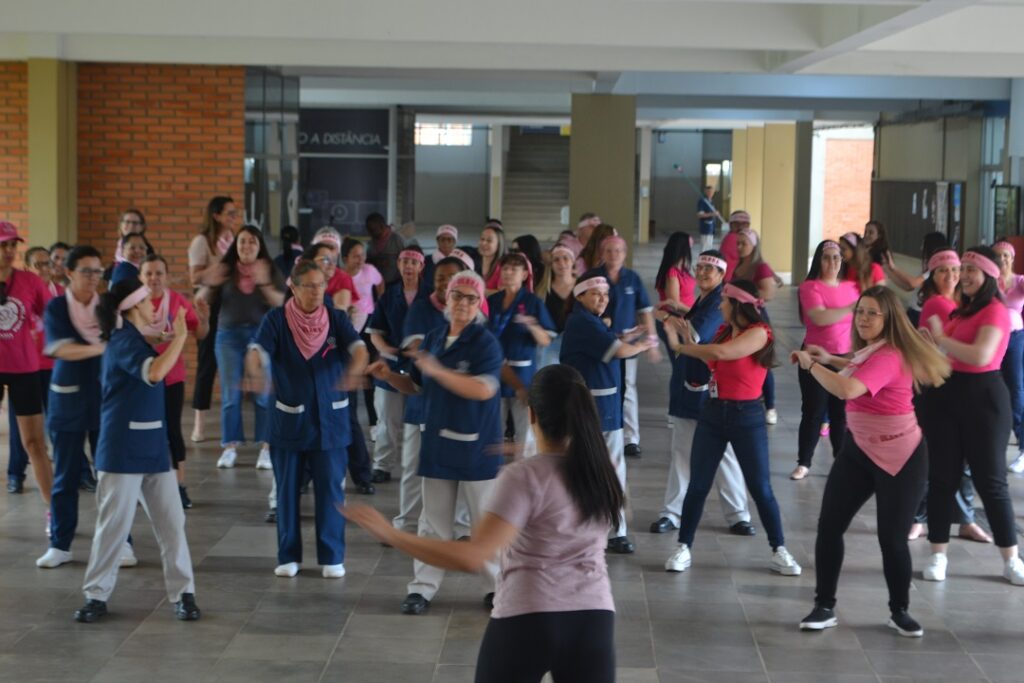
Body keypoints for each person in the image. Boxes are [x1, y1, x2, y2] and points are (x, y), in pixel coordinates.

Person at [344, 364, 621, 683]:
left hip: (528, 617)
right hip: (593, 620)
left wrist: (391, 534)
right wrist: (525, 452)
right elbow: (559, 472)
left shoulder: (523, 477)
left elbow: (472, 556)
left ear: (530, 414)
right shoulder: (605, 468)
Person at [793, 286, 950, 637]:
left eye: (872, 313)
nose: (863, 318)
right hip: (859, 450)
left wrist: (812, 363)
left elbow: (848, 389)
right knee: (829, 526)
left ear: (888, 318)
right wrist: (831, 358)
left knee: (892, 539)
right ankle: (824, 606)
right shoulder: (872, 351)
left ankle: (900, 611)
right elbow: (858, 364)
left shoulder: (891, 355)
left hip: (902, 457)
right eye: (860, 311)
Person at [367, 270, 504, 615]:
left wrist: (440, 371)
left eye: (471, 298)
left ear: (479, 304)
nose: (463, 303)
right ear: (446, 299)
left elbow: (483, 389)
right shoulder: (433, 337)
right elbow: (416, 385)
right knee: (433, 522)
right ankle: (422, 588)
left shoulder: (486, 343)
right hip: (438, 443)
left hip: (477, 447)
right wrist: (390, 378)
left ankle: (497, 587)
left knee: (483, 522)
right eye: (457, 295)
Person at [74, 278, 200, 624]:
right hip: (122, 450)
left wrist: (163, 339)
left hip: (153, 448)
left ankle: (184, 593)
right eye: (147, 301)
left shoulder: (134, 340)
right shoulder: (123, 342)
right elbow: (156, 372)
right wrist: (181, 339)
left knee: (173, 523)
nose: (154, 305)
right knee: (113, 526)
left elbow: (150, 356)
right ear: (131, 309)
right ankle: (96, 596)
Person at [662, 279, 802, 577]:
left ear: (738, 305)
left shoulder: (759, 333)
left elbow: (723, 355)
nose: (720, 305)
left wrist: (680, 346)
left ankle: (779, 549)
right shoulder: (724, 331)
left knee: (761, 488)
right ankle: (683, 546)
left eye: (725, 301)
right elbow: (711, 360)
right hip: (713, 412)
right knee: (698, 485)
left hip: (747, 417)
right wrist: (693, 342)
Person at [245, 259, 368, 578]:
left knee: (331, 489)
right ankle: (288, 554)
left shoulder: (336, 319)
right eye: (309, 285)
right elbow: (258, 350)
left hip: (331, 419)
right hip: (289, 418)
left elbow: (358, 348)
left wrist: (356, 369)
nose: (316, 291)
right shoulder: (277, 319)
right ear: (293, 286)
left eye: (320, 285)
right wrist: (256, 370)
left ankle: (332, 556)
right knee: (286, 489)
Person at [920, 246, 1024, 586]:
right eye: (961, 268)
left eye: (970, 270)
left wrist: (940, 338)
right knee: (942, 480)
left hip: (984, 402)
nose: (962, 275)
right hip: (947, 398)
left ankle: (1011, 558)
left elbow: (980, 355)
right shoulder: (960, 312)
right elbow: (946, 356)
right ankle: (938, 555)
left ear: (990, 276)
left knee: (991, 482)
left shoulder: (996, 311)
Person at [37, 246, 140, 568]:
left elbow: (125, 342)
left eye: (98, 272)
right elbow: (60, 349)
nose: (94, 278)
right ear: (69, 273)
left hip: (106, 399)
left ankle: (122, 541)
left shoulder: (107, 308)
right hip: (67, 399)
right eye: (87, 271)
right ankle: (60, 544)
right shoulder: (56, 307)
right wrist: (102, 348)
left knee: (111, 475)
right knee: (66, 475)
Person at [650, 251, 754, 537]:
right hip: (691, 388)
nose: (704, 273)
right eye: (700, 268)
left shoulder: (717, 302)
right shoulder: (704, 300)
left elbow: (693, 334)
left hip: (712, 392)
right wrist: (678, 314)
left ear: (722, 275)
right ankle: (672, 513)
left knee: (723, 454)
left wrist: (667, 318)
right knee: (682, 453)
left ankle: (738, 515)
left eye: (711, 269)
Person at [560, 271, 658, 555]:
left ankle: (609, 528)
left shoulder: (587, 321)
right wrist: (639, 345)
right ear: (579, 296)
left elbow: (607, 341)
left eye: (605, 295)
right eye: (595, 294)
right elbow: (616, 351)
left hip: (602, 406)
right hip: (594, 409)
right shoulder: (581, 322)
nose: (602, 299)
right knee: (604, 468)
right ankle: (609, 530)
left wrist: (624, 335)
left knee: (604, 468)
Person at [198, 224, 285, 470]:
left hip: (261, 337)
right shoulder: (226, 270)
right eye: (242, 242)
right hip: (228, 337)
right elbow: (201, 299)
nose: (246, 246)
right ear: (236, 246)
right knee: (230, 395)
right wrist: (207, 281)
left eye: (252, 242)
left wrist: (265, 283)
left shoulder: (270, 269)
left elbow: (284, 303)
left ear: (260, 247)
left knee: (263, 394)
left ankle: (266, 448)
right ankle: (230, 447)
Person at [392, 255, 468, 533]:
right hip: (422, 401)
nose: (445, 283)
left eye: (452, 279)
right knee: (414, 466)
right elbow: (415, 349)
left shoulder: (471, 316)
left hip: (458, 407)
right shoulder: (422, 309)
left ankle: (459, 527)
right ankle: (407, 522)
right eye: (440, 277)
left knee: (458, 468)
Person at [139, 254, 209, 509]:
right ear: (141, 277)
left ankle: (179, 487)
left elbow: (198, 333)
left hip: (171, 378)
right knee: (143, 430)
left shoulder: (177, 302)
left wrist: (204, 319)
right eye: (149, 273)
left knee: (172, 430)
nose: (154, 278)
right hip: (140, 379)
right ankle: (140, 487)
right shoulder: (134, 305)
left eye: (159, 273)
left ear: (166, 277)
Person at [791, 240, 860, 480]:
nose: (832, 262)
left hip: (843, 357)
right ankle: (804, 462)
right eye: (827, 257)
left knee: (840, 414)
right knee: (813, 411)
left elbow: (859, 325)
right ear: (819, 260)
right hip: (814, 357)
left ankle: (841, 464)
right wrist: (853, 307)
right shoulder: (810, 287)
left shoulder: (851, 287)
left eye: (837, 257)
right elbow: (820, 318)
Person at [0, 221, 54, 509]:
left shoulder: (30, 282)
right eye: (3, 245)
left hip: (24, 367)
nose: (9, 251)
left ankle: (53, 512)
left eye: (13, 245)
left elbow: (53, 316)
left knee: (34, 443)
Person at [7, 246, 70, 495]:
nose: (45, 268)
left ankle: (58, 499)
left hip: (39, 367)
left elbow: (59, 320)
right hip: (23, 367)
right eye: (40, 264)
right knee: (23, 432)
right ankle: (15, 473)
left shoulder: (45, 287)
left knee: (45, 433)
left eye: (48, 264)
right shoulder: (25, 286)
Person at [366, 248, 428, 485]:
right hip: (390, 366)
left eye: (414, 262)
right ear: (399, 265)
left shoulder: (430, 295)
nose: (409, 266)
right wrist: (388, 350)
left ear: (421, 266)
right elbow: (375, 333)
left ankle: (417, 464)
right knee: (387, 421)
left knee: (417, 422)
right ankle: (382, 465)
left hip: (419, 367)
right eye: (404, 261)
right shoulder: (389, 296)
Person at [595, 234, 658, 460]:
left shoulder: (632, 279)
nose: (614, 255)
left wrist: (652, 342)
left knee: (628, 387)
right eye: (609, 251)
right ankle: (600, 433)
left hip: (628, 343)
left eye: (618, 251)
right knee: (603, 387)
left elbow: (645, 311)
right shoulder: (594, 277)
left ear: (625, 254)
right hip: (600, 343)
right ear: (602, 254)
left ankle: (631, 438)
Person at [487, 252, 556, 450]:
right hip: (495, 371)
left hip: (523, 372)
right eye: (505, 268)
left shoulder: (533, 302)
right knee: (493, 427)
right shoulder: (492, 301)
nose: (508, 273)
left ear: (525, 274)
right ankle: (492, 472)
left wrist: (532, 325)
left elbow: (546, 339)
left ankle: (526, 470)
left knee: (525, 427)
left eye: (514, 269)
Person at [188, 196, 240, 443]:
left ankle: (233, 425)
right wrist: (218, 272)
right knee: (207, 364)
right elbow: (195, 278)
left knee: (232, 366)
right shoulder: (202, 242)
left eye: (234, 213)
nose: (233, 217)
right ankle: (199, 424)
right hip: (208, 304)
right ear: (216, 215)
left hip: (232, 306)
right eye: (229, 213)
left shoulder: (235, 240)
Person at [732, 228, 780, 425]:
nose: (740, 247)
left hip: (757, 318)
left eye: (744, 243)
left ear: (754, 246)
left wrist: (745, 297)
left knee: (762, 362)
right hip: (740, 318)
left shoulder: (760, 267)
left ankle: (770, 406)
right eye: (738, 243)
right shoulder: (740, 265)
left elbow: (768, 292)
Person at [992, 240, 1024, 471]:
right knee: (991, 389)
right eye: (997, 256)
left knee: (1016, 390)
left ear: (1012, 258)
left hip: (1014, 339)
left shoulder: (1019, 282)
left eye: (1006, 255)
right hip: (991, 339)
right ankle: (992, 446)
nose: (1002, 259)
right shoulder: (988, 283)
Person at [884, 232, 950, 327]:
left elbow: (913, 283)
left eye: (923, 244)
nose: (921, 248)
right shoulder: (927, 267)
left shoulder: (935, 268)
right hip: (913, 311)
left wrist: (894, 267)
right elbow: (908, 287)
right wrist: (888, 270)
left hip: (918, 314)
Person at [536, 244, 575, 368]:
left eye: (565, 258)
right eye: (556, 260)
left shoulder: (582, 288)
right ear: (551, 265)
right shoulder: (542, 291)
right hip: (549, 348)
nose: (561, 263)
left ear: (572, 261)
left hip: (576, 344)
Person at [653, 231, 696, 323]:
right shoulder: (672, 273)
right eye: (690, 247)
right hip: (677, 320)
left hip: (687, 316)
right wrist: (696, 313)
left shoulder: (683, 269)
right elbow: (674, 305)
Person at [365, 212, 405, 285]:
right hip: (375, 285)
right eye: (368, 230)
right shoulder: (370, 243)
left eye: (372, 230)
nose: (370, 234)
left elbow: (406, 262)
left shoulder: (397, 240)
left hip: (395, 284)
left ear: (382, 226)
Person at [476, 222, 507, 293]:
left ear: (499, 245)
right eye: (482, 239)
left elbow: (503, 294)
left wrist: (478, 291)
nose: (483, 243)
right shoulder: (474, 261)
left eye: (489, 240)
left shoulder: (503, 266)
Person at [719, 210, 750, 281]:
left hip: (728, 278)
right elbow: (752, 259)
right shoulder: (733, 238)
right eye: (737, 224)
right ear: (730, 225)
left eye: (744, 224)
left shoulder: (730, 237)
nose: (741, 227)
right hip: (732, 279)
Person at [696, 185, 718, 251]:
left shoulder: (711, 201)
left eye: (712, 191)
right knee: (704, 247)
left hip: (711, 228)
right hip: (705, 228)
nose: (711, 193)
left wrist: (715, 214)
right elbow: (699, 215)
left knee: (709, 247)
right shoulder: (702, 201)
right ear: (705, 192)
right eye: (709, 191)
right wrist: (712, 214)